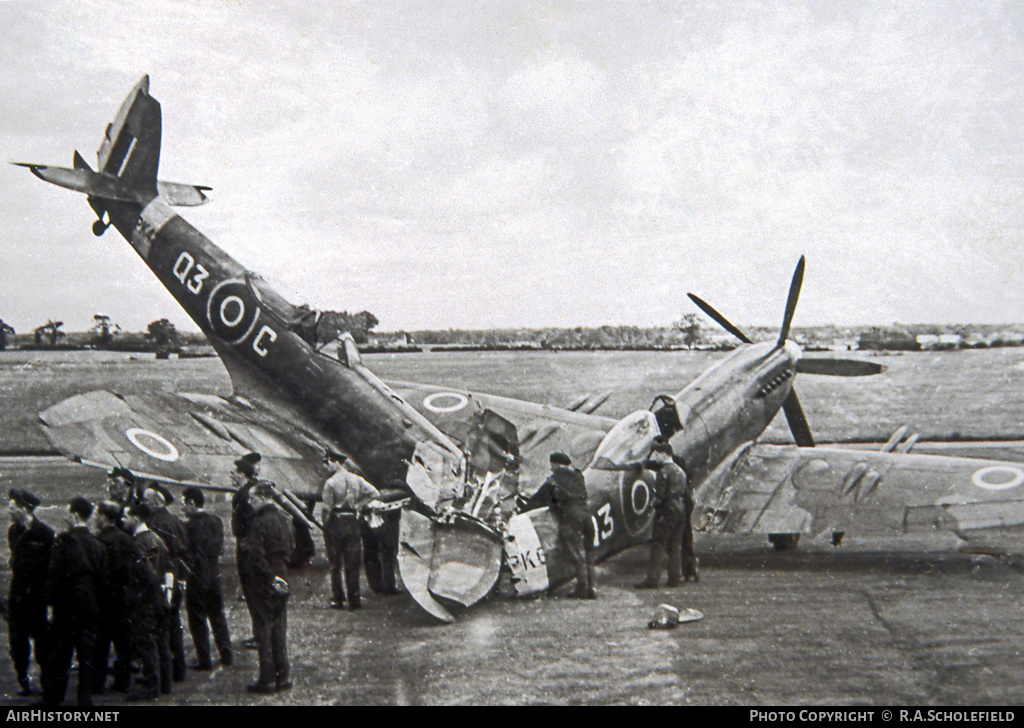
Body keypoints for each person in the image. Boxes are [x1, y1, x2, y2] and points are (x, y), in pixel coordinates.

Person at [43, 497, 107, 707]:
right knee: (86, 652)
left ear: (74, 515)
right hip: (90, 603)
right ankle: (84, 697)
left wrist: (50, 603)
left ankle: (54, 697)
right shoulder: (97, 544)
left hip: (66, 603)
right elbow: (102, 579)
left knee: (61, 653)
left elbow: (54, 575)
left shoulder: (63, 541)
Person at [239, 482, 293, 694]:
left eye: (253, 499)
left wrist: (269, 577)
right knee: (279, 627)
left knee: (263, 628)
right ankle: (283, 677)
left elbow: (255, 555)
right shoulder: (283, 518)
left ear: (262, 498)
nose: (251, 503)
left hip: (264, 577)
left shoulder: (258, 522)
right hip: (281, 570)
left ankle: (267, 680)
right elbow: (291, 545)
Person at [523, 452, 595, 599]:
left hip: (571, 517)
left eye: (552, 466)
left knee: (576, 555)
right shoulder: (578, 475)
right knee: (589, 554)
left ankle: (582, 589)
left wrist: (523, 510)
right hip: (587, 516)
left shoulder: (554, 479)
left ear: (555, 464)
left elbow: (541, 497)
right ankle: (592, 588)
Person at [122, 503, 173, 700]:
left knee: (147, 644)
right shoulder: (157, 539)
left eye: (126, 516)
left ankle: (152, 687)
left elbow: (146, 574)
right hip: (160, 599)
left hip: (145, 601)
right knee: (162, 643)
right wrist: (166, 594)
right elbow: (169, 567)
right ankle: (165, 684)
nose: (123, 520)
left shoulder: (137, 545)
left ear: (136, 518)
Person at [7, 488, 54, 697]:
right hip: (17, 596)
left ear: (25, 509)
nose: (9, 512)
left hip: (37, 597)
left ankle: (46, 681)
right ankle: (23, 681)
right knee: (17, 643)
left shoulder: (45, 533)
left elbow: (51, 566)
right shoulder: (14, 531)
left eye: (13, 508)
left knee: (42, 643)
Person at [318, 450, 380, 610]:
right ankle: (354, 600)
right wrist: (359, 505)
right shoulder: (356, 479)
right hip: (352, 522)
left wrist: (325, 524)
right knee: (352, 564)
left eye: (328, 462)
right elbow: (375, 493)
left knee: (335, 565)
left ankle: (338, 599)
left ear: (336, 462)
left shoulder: (330, 483)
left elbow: (326, 508)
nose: (327, 467)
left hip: (335, 524)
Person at [181, 486, 232, 670]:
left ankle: (204, 659)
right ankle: (226, 654)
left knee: (197, 619)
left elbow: (187, 553)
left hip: (196, 577)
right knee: (218, 615)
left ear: (192, 503)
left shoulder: (187, 526)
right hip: (214, 574)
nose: (182, 508)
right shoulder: (216, 521)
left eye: (184, 503)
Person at [142, 484, 189, 681]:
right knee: (174, 623)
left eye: (146, 500)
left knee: (159, 628)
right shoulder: (175, 521)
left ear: (154, 502)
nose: (143, 503)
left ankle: (163, 673)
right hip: (177, 575)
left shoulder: (154, 523)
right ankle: (178, 668)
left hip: (163, 577)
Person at [91, 501, 134, 695]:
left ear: (103, 517)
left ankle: (98, 682)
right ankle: (123, 681)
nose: (95, 518)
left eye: (97, 514)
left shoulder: (98, 540)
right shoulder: (126, 539)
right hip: (123, 596)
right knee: (123, 642)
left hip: (103, 597)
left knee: (101, 643)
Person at [635, 442, 688, 589]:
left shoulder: (663, 472)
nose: (654, 457)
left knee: (658, 544)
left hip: (667, 509)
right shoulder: (680, 470)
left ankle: (652, 580)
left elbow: (659, 496)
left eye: (656, 454)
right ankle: (674, 578)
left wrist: (653, 506)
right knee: (675, 545)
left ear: (664, 453)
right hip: (680, 507)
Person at [360, 481, 408, 596]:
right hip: (386, 513)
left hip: (369, 512)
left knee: (372, 552)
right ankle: (388, 585)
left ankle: (377, 585)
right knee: (387, 551)